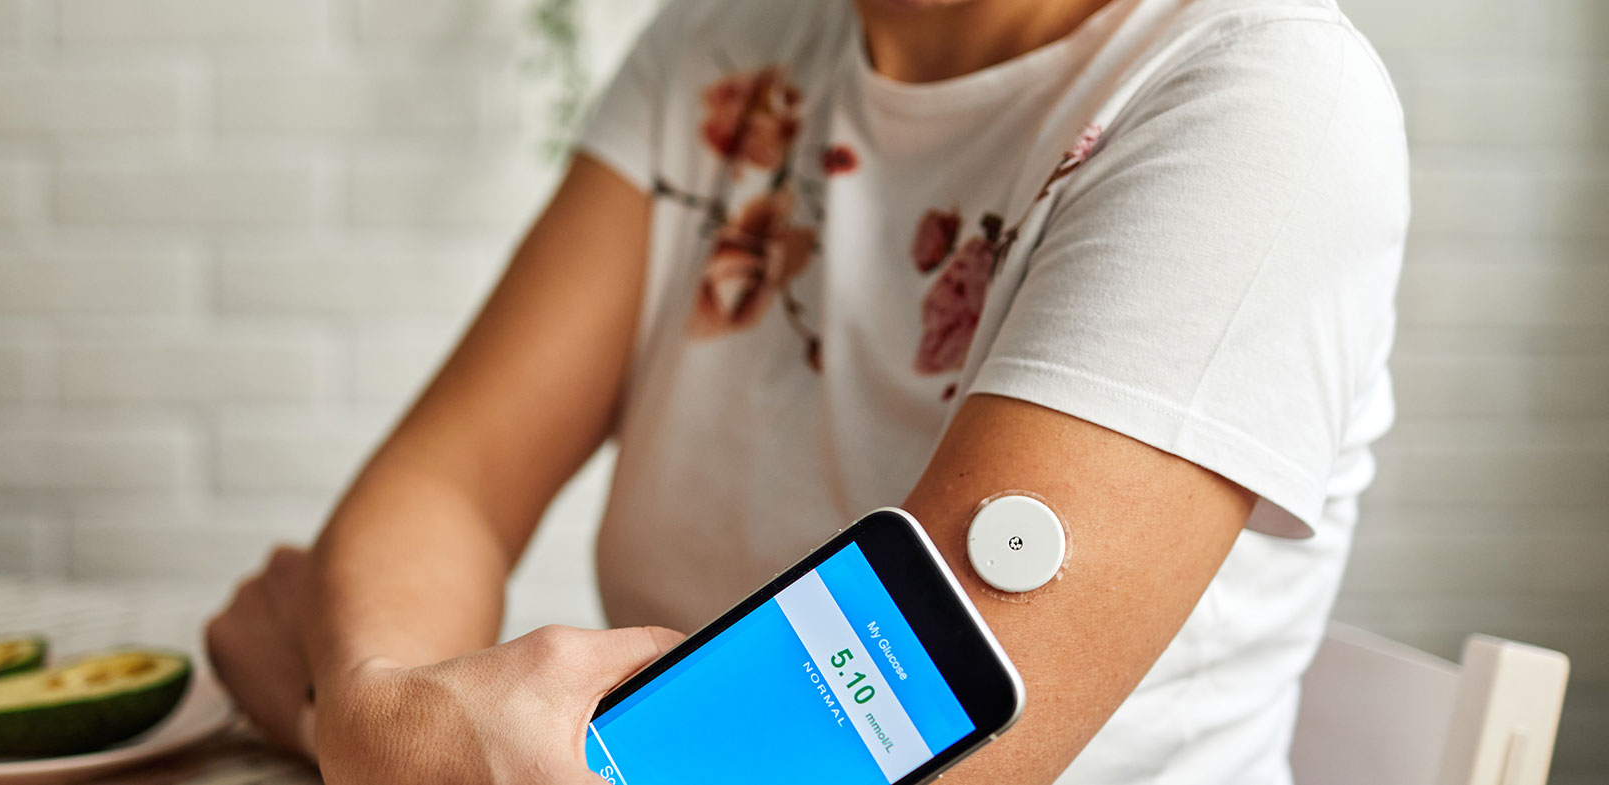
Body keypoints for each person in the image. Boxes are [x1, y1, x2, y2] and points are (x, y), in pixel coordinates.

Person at [204, 0, 1407, 781]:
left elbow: (843, 755)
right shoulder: (727, 47)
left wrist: (347, 716)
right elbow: (452, 480)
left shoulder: (1260, 103)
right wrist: (378, 710)